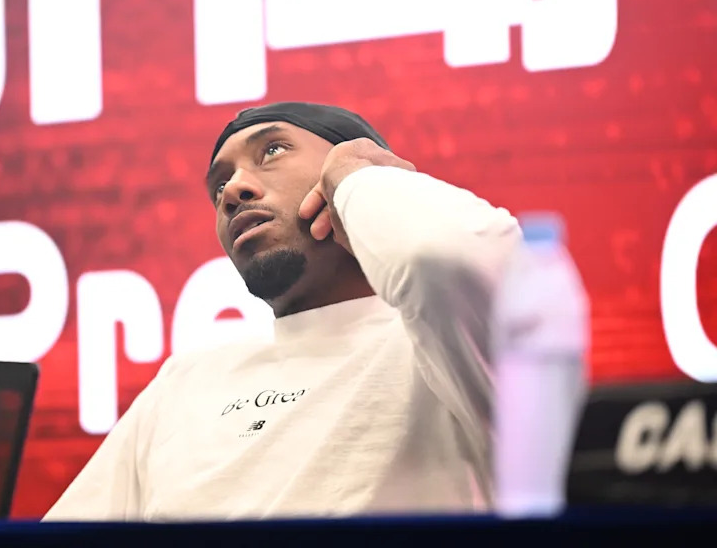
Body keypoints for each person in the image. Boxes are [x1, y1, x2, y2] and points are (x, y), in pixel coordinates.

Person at [43, 102, 521, 521]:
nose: (232, 191)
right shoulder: (186, 381)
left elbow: (441, 254)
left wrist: (362, 178)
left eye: (272, 150)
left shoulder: (445, 340)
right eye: (219, 186)